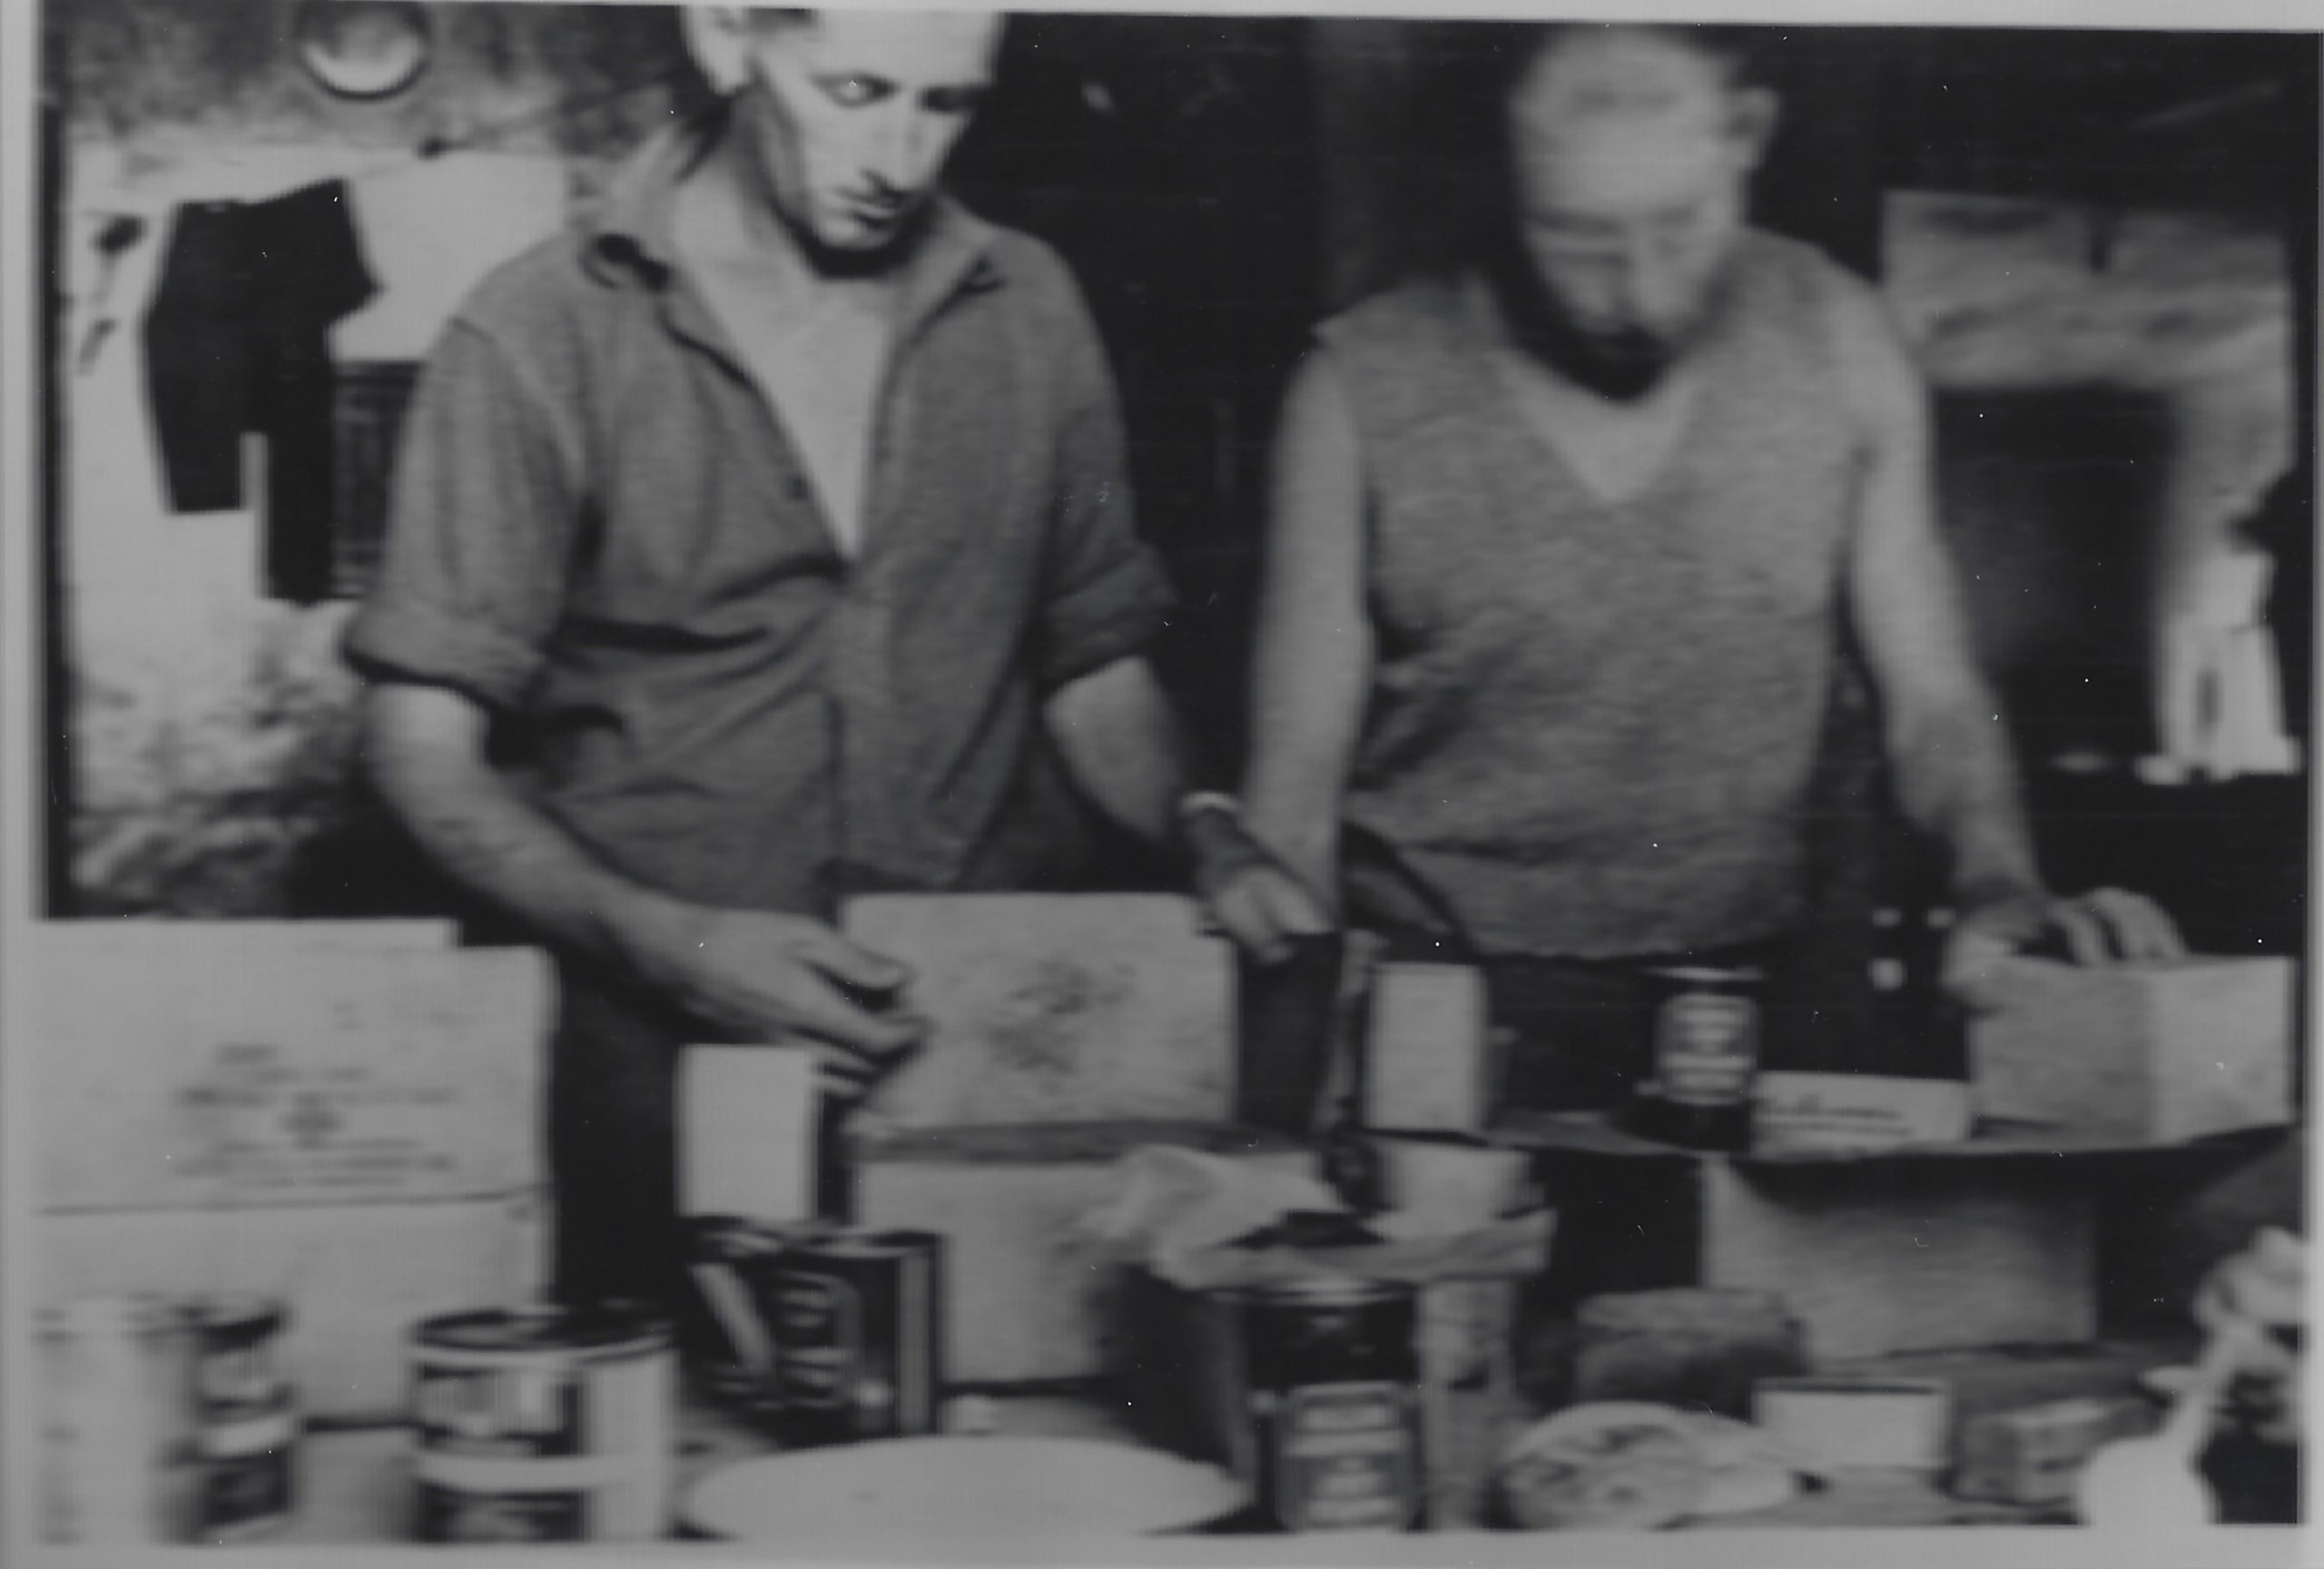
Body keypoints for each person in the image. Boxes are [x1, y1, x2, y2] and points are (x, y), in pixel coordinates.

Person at [344, 6, 1324, 1306]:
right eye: (855, 89)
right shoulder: (538, 335)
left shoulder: (1028, 307)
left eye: (946, 104)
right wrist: (672, 947)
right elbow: (419, 752)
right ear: (724, 35)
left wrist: (1208, 829)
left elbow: (1093, 667)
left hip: (989, 1049)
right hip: (660, 1072)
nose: (900, 158)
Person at [1238, 23, 2184, 1107]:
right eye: (1576, 238)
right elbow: (1292, 811)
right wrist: (1289, 1121)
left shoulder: (1839, 340)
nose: (1635, 295)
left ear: (1747, 138)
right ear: (1505, 170)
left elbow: (1929, 700)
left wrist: (1997, 878)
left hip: (1757, 1003)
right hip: (1434, 1004)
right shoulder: (1358, 389)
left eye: (1678, 229)